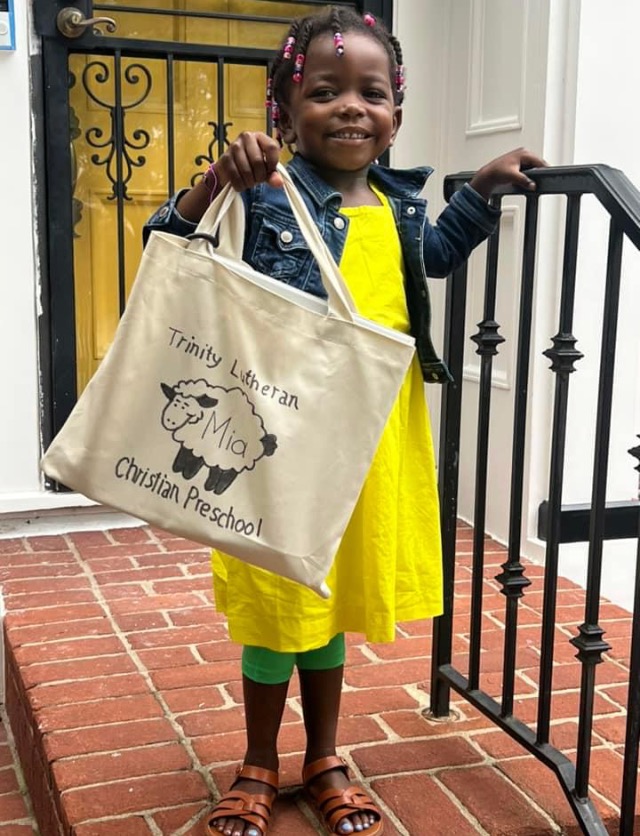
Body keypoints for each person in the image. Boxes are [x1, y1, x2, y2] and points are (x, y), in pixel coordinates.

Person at [144, 8, 545, 836]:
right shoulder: (264, 196)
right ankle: (258, 762)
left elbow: (428, 260)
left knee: (328, 596)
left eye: (372, 91)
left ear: (397, 109)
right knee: (273, 597)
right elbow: (166, 248)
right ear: (284, 114)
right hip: (277, 437)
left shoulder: (396, 205)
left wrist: (479, 191)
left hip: (373, 430)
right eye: (325, 92)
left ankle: (324, 756)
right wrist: (216, 181)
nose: (351, 107)